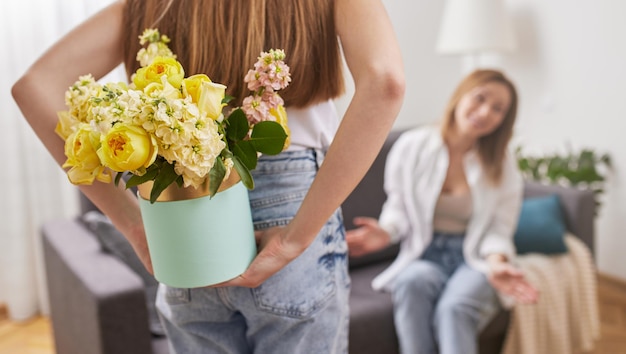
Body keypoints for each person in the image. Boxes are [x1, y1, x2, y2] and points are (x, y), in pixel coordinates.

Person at [12, 0, 405, 353]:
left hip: (184, 213)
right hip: (291, 199)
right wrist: (298, 236)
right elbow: (386, 82)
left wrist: (133, 224)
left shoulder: (149, 7)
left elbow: (33, 87)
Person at [346, 69, 539, 354]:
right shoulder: (412, 147)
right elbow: (398, 208)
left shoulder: (502, 164)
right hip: (424, 253)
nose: (485, 112)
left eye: (497, 109)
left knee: (454, 308)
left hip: (472, 258)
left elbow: (499, 229)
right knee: (411, 282)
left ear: (503, 121)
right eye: (480, 98)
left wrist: (497, 262)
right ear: (461, 95)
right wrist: (386, 233)